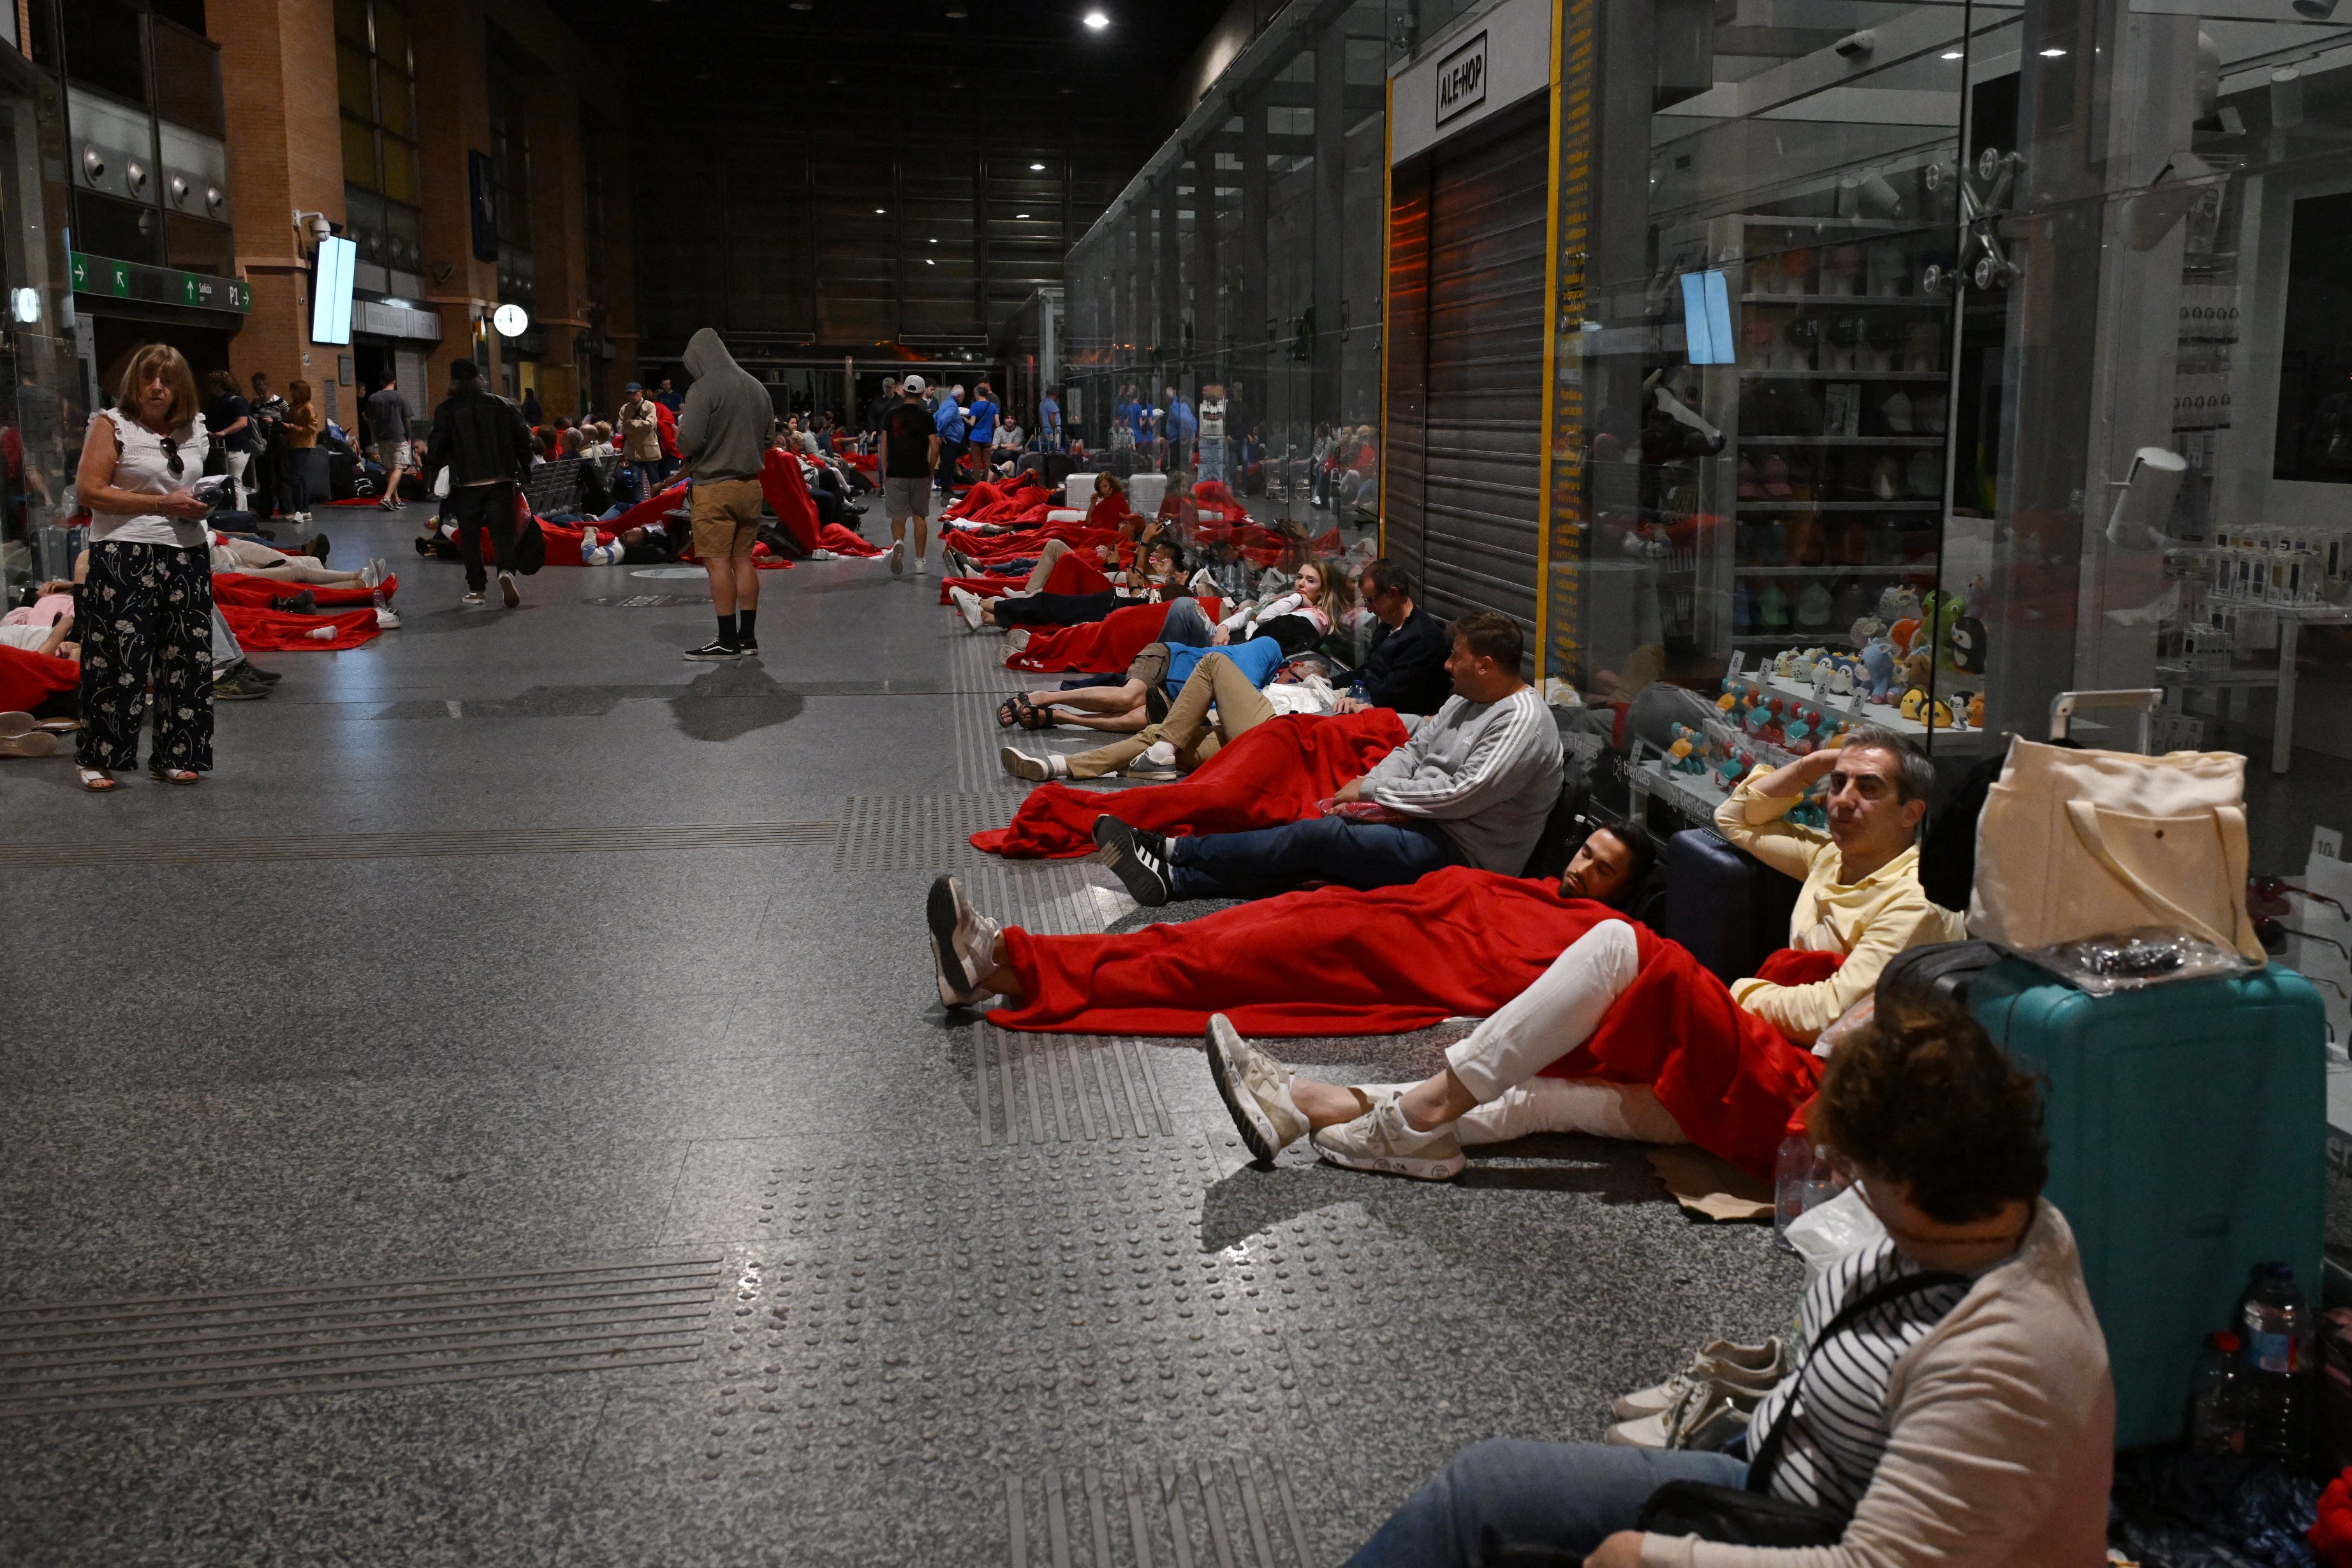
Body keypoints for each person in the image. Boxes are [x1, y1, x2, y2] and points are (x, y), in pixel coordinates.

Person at [1336, 996, 2110, 1568]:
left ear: (1916, 1178)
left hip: (1817, 1532)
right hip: (1777, 1476)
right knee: (1483, 1487)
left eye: (1859, 1172)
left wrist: (1654, 1555)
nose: (1844, 1182)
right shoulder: (1994, 1216)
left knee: (1490, 1506)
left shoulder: (2007, 1361)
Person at [1205, 724, 1960, 1178]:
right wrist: (1811, 765)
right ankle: (1313, 1106)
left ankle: (1396, 1110)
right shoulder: (1831, 855)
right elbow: (1737, 817)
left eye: (1866, 788)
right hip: (1753, 1069)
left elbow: (1826, 1011)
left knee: (1614, 943)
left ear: (1912, 812)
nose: (1841, 800)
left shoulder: (1915, 897)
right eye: (1837, 785)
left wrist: (1737, 994)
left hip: (1808, 1096)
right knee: (1545, 1090)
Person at [1091, 609, 1561, 907]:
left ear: (1485, 664)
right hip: (1420, 819)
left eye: (1455, 656)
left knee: (1321, 839)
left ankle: (1171, 849)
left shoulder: (1521, 719)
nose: (1446, 664)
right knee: (1315, 842)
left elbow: (1461, 794)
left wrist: (1373, 791)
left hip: (1461, 851)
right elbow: (1412, 748)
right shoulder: (1464, 698)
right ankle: (1177, 881)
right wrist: (1366, 789)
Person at [71, 344, 217, 791]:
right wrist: (159, 502)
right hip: (124, 553)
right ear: (135, 382)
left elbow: (190, 484)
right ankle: (99, 755)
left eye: (168, 380)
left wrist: (204, 502)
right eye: (150, 378)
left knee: (187, 657)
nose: (158, 387)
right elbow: (89, 491)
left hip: (186, 550)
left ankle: (177, 753)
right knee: (119, 658)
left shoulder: (196, 428)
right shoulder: (112, 425)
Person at [1000, 634, 1326, 781]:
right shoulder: (1270, 652)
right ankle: (1060, 765)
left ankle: (1055, 713)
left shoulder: (1316, 692)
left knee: (1156, 727)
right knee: (1155, 732)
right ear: (1292, 664)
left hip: (1267, 738)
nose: (1293, 685)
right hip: (1172, 669)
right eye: (1295, 678)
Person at [673, 327, 776, 661]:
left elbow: (688, 441)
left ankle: (725, 641)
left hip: (715, 488)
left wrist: (689, 443)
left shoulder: (703, 388)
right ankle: (748, 639)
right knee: (743, 561)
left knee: (717, 564)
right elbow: (768, 440)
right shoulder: (757, 387)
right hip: (751, 487)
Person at [420, 358, 534, 609]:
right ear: (478, 379)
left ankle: (477, 589)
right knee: (502, 533)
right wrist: (524, 469)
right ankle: (506, 572)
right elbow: (524, 439)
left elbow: (438, 445)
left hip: (467, 483)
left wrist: (430, 475)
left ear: (453, 382)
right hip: (501, 479)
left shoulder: (446, 409)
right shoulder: (503, 405)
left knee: (470, 537)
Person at [1338, 558, 1451, 715]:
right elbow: (1367, 672)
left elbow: (1393, 696)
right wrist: (1330, 683)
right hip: (1369, 702)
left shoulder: (1422, 638)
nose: (1369, 610)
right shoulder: (1387, 627)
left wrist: (1355, 701)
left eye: (1372, 601)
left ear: (1393, 593)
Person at [880, 375, 941, 577]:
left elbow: (884, 446)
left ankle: (898, 543)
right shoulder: (927, 417)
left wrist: (885, 471)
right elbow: (935, 447)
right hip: (920, 473)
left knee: (898, 516)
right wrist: (931, 471)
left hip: (896, 472)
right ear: (922, 393)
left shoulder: (892, 415)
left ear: (904, 391)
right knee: (919, 517)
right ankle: (920, 561)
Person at [202, 370, 254, 513]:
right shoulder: (217, 402)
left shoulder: (236, 400)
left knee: (235, 480)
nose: (209, 386)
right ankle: (232, 511)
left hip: (236, 447)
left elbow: (243, 422)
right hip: (223, 448)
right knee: (229, 481)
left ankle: (240, 514)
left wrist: (223, 432)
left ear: (219, 384)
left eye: (212, 383)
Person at [364, 376, 414, 511]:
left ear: (381, 381)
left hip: (382, 438)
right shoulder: (400, 397)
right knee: (399, 468)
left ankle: (396, 500)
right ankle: (386, 497)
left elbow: (369, 419)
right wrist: (409, 436)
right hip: (399, 437)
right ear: (394, 381)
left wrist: (376, 434)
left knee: (390, 469)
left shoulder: (374, 398)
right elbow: (407, 419)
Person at [283, 378, 322, 524]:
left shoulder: (308, 408)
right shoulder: (294, 406)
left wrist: (291, 427)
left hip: (304, 445)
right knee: (301, 478)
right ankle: (305, 509)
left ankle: (299, 509)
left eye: (295, 390)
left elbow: (311, 429)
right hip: (293, 444)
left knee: (296, 477)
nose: (292, 393)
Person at [618, 381, 663, 494]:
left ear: (641, 393)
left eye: (635, 393)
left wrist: (632, 423)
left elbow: (650, 425)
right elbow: (621, 428)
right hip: (633, 451)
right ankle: (638, 503)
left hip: (649, 450)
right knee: (635, 481)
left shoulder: (650, 406)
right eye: (629, 394)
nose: (632, 396)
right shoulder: (625, 409)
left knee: (654, 481)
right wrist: (640, 425)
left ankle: (656, 503)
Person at [934, 383, 969, 497]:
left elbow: (935, 417)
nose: (963, 399)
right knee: (948, 467)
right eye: (963, 397)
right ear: (959, 396)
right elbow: (943, 420)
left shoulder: (946, 403)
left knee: (947, 465)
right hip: (950, 441)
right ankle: (947, 491)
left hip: (949, 440)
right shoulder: (953, 406)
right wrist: (940, 434)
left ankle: (947, 490)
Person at [1196, 385, 1227, 485]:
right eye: (1203, 391)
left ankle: (1217, 486)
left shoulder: (1222, 406)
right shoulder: (1203, 406)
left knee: (1217, 468)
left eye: (1206, 391)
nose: (1203, 393)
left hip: (1217, 439)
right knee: (1205, 467)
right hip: (1206, 439)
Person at [1038, 385, 1062, 450]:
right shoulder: (1051, 403)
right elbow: (1052, 417)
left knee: (1046, 449)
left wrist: (1043, 427)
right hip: (1051, 431)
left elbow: (1040, 418)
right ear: (1056, 394)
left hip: (1044, 430)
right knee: (1053, 449)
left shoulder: (1042, 403)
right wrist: (1055, 429)